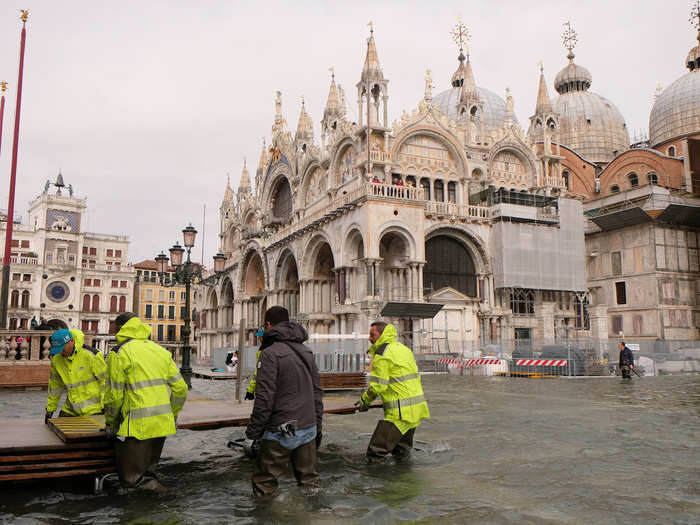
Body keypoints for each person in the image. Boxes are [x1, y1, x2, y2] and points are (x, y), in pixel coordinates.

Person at [245, 306, 323, 497]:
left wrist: (253, 433)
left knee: (264, 482)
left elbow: (264, 399)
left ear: (268, 325)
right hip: (308, 426)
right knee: (309, 482)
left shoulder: (270, 353)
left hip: (282, 429)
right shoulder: (306, 351)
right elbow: (317, 392)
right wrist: (318, 425)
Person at [104, 312, 188, 491]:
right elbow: (181, 389)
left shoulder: (119, 352)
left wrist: (111, 424)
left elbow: (114, 396)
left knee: (132, 481)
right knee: (148, 474)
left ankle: (156, 508)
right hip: (161, 424)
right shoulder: (161, 351)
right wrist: (171, 415)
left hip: (136, 426)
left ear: (120, 328)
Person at [356, 322, 430, 462]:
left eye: (372, 335)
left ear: (381, 335)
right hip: (415, 410)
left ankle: (383, 482)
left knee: (375, 453)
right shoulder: (404, 349)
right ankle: (404, 481)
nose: (369, 338)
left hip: (399, 414)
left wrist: (364, 401)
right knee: (401, 454)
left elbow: (378, 386)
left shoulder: (382, 353)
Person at [45, 328, 106, 423]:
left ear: (72, 341)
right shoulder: (56, 358)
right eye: (58, 349)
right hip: (70, 408)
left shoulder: (91, 355)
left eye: (62, 348)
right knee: (58, 431)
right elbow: (55, 385)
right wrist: (50, 409)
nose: (61, 352)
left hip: (94, 409)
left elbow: (105, 382)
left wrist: (105, 406)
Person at [245, 327, 266, 400]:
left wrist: (250, 389)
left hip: (265, 388)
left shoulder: (262, 350)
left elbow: (258, 372)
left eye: (261, 336)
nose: (259, 339)